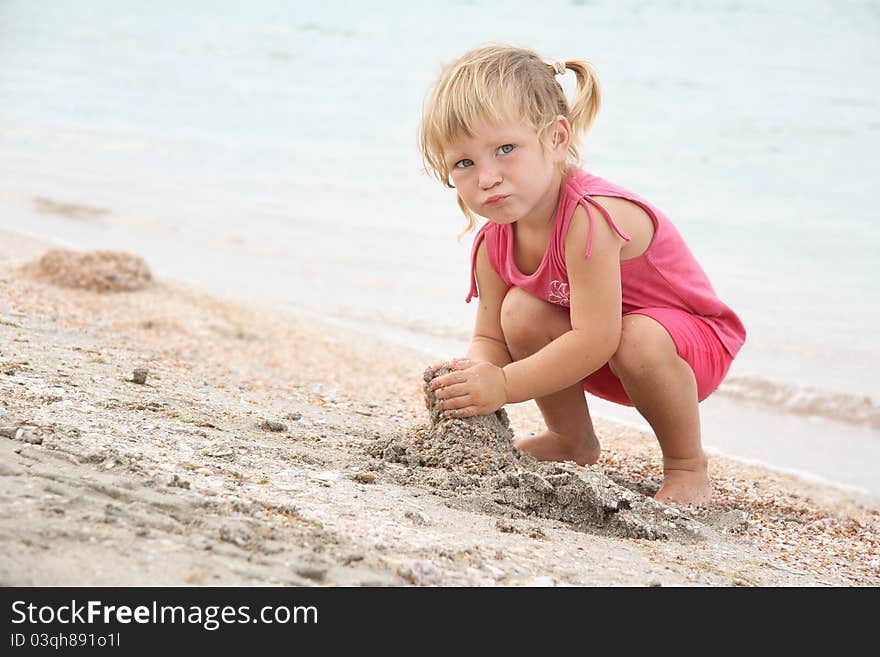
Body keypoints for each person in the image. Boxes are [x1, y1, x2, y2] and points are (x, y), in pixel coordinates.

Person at [418, 44, 745, 506]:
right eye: (464, 163)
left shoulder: (588, 217)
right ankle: (572, 441)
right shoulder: (494, 241)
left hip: (685, 351)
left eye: (505, 149)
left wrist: (506, 386)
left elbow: (596, 337)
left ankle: (687, 465)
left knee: (637, 335)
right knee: (521, 310)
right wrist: (474, 376)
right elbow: (491, 339)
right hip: (607, 353)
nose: (486, 177)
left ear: (555, 139)